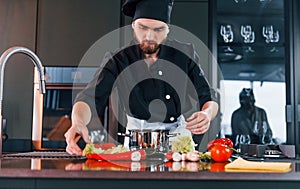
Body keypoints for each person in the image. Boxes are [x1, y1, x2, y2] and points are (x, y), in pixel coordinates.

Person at [64, 0, 219, 155]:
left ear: (168, 30)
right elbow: (89, 98)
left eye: (158, 29)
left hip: (177, 141)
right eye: (143, 27)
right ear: (133, 25)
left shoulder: (185, 54)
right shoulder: (118, 59)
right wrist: (78, 122)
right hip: (136, 141)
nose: (149, 36)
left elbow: (208, 97)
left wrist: (206, 114)